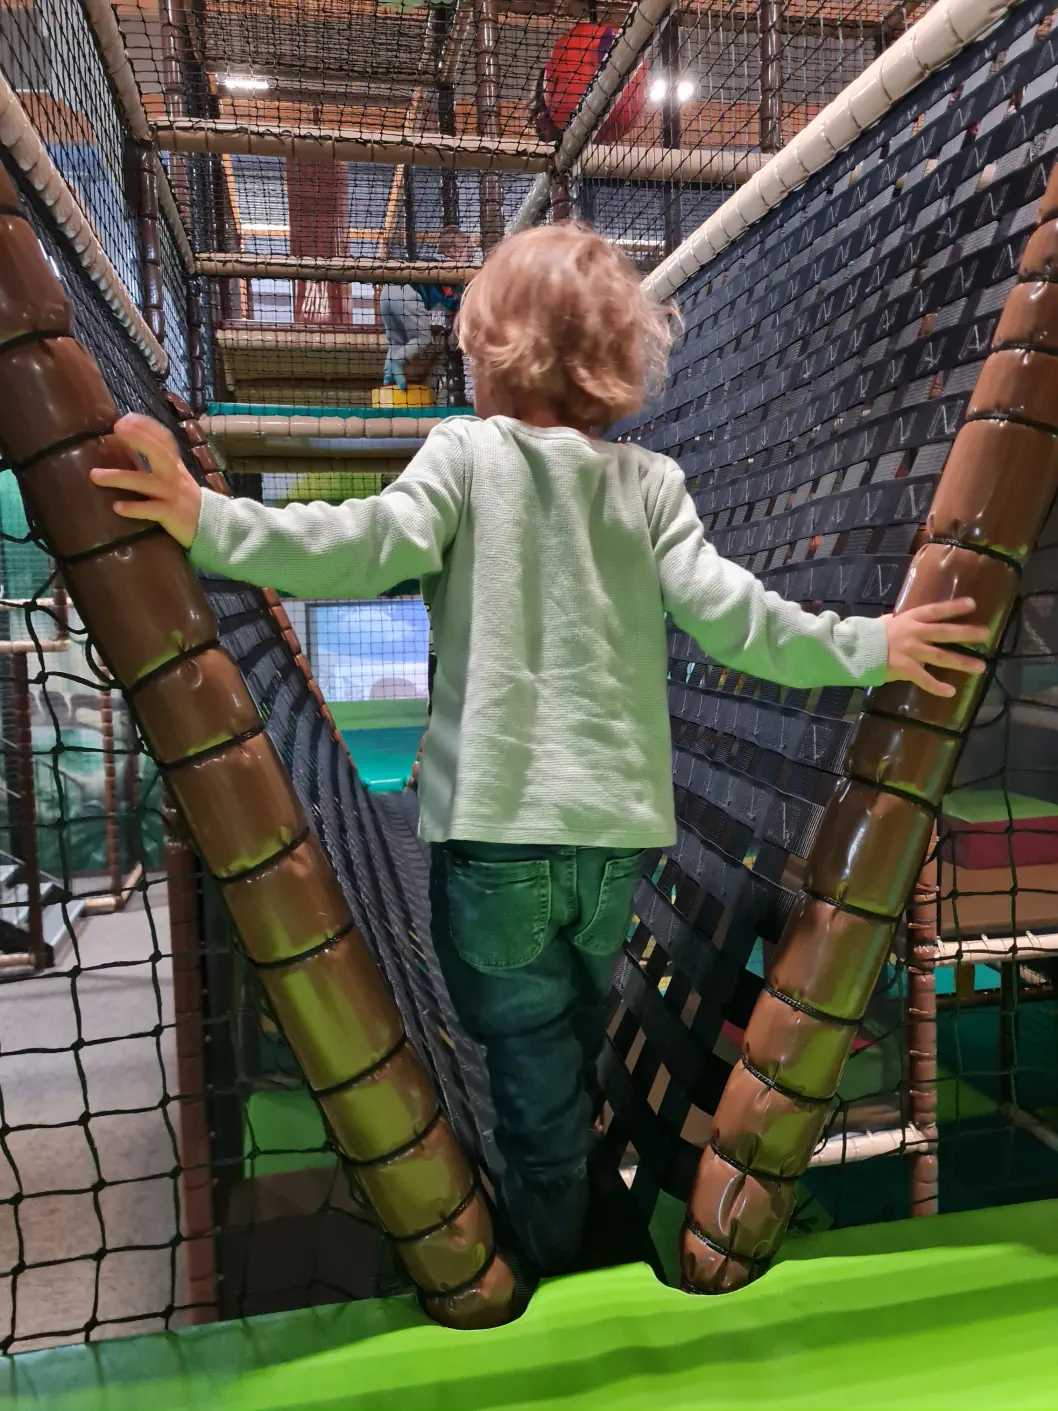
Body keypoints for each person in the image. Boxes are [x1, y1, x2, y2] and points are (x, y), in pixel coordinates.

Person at [91, 223, 988, 1288]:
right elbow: (738, 621)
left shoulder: (465, 458)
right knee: (564, 1025)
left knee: (519, 1057)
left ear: (490, 353)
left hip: (494, 842)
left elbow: (349, 546)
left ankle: (549, 1256)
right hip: (611, 847)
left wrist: (202, 518)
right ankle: (568, 1177)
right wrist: (871, 643)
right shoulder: (649, 483)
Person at [379, 224, 477, 392]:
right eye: (467, 250)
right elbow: (454, 302)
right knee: (422, 339)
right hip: (407, 293)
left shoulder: (432, 264)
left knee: (396, 341)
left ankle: (388, 378)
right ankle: (397, 362)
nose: (469, 256)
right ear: (453, 251)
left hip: (386, 294)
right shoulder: (451, 270)